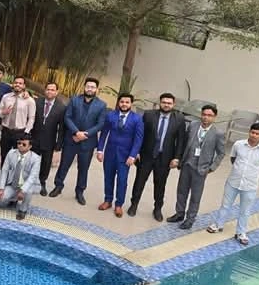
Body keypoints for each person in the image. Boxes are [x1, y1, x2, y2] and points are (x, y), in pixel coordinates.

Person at [207, 123, 259, 244]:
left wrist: (251, 174)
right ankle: (218, 225)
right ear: (249, 132)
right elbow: (233, 158)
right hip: (233, 181)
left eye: (257, 134)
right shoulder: (238, 144)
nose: (254, 135)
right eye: (252, 132)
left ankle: (241, 232)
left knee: (245, 210)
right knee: (225, 205)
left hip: (250, 185)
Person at [128, 92, 187, 221]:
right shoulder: (149, 115)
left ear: (173, 104)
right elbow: (140, 134)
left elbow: (181, 140)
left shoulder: (179, 119)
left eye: (169, 103)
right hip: (146, 156)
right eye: (164, 102)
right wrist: (136, 151)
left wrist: (177, 157)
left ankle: (157, 209)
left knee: (160, 185)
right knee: (139, 182)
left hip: (165, 158)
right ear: (160, 103)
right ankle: (134, 204)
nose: (166, 105)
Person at [50, 78, 107, 205]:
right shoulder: (74, 100)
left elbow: (100, 124)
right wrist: (76, 132)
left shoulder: (102, 105)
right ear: (84, 87)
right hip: (71, 139)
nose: (90, 89)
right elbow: (67, 117)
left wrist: (85, 134)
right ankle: (58, 186)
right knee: (64, 165)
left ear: (97, 89)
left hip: (88, 143)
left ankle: (79, 192)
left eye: (93, 87)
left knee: (83, 169)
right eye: (88, 86)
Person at [169, 104, 225, 229]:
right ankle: (179, 213)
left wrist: (212, 168)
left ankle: (190, 219)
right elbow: (184, 142)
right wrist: (179, 159)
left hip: (201, 169)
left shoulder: (218, 133)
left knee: (195, 195)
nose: (206, 117)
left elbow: (221, 153)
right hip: (187, 164)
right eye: (204, 114)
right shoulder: (193, 125)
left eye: (209, 115)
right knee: (181, 191)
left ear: (214, 117)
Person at [96, 93, 144, 217]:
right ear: (118, 102)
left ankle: (119, 205)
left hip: (125, 156)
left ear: (131, 104)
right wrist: (100, 150)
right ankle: (108, 200)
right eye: (122, 102)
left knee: (122, 181)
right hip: (110, 153)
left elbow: (138, 139)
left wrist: (133, 155)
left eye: (127, 102)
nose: (124, 104)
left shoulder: (137, 119)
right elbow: (104, 133)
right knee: (108, 178)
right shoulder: (111, 115)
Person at [31, 82, 66, 196]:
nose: (50, 92)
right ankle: (30, 181)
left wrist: (58, 144)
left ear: (57, 92)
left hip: (49, 140)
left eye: (52, 90)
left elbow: (62, 128)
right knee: (32, 161)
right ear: (44, 90)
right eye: (48, 89)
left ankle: (42, 182)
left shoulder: (61, 107)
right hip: (34, 138)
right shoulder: (37, 102)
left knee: (46, 164)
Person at [0, 135, 42, 220]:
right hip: (13, 184)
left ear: (30, 146)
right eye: (19, 143)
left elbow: (32, 177)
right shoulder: (11, 153)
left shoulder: (36, 158)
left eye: (24, 144)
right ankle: (14, 200)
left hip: (26, 185)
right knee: (1, 200)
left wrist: (23, 190)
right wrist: (1, 188)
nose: (20, 145)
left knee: (28, 191)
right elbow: (4, 170)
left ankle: (23, 210)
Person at [0, 76, 36, 161]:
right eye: (16, 83)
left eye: (20, 83)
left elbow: (31, 118)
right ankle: (4, 170)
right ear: (13, 84)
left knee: (18, 158)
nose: (17, 84)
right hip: (6, 131)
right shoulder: (6, 97)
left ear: (24, 86)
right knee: (4, 156)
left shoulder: (29, 100)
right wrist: (3, 112)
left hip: (20, 132)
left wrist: (26, 132)